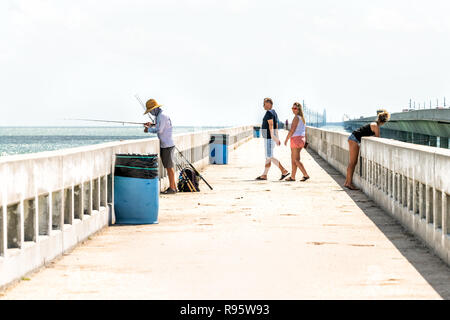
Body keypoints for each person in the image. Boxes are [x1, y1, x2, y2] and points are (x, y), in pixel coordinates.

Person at [344, 110, 390, 190]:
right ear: (383, 122)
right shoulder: (376, 126)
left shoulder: (373, 124)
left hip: (353, 138)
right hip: (354, 139)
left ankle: (347, 182)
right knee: (353, 162)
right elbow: (378, 138)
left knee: (352, 162)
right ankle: (349, 183)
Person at [143, 99, 177, 195]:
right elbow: (159, 126)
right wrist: (151, 125)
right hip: (165, 144)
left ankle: (172, 188)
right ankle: (173, 187)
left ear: (155, 109)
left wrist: (149, 129)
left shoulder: (161, 116)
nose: (150, 112)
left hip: (167, 145)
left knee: (169, 167)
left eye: (150, 111)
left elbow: (160, 130)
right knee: (168, 166)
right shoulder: (160, 116)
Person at [256, 98, 289, 181]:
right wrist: (276, 137)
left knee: (269, 156)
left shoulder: (269, 113)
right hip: (270, 138)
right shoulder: (274, 112)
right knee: (268, 157)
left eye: (264, 103)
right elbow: (276, 125)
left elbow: (271, 125)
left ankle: (283, 171)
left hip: (268, 138)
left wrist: (273, 137)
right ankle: (264, 175)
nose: (263, 105)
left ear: (269, 104)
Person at [284, 102, 310, 182]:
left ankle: (305, 175)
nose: (293, 110)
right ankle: (292, 177)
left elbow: (292, 130)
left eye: (295, 108)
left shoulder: (296, 118)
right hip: (301, 139)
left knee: (296, 160)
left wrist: (286, 139)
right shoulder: (302, 118)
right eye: (292, 108)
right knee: (294, 159)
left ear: (299, 109)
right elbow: (304, 131)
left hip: (296, 139)